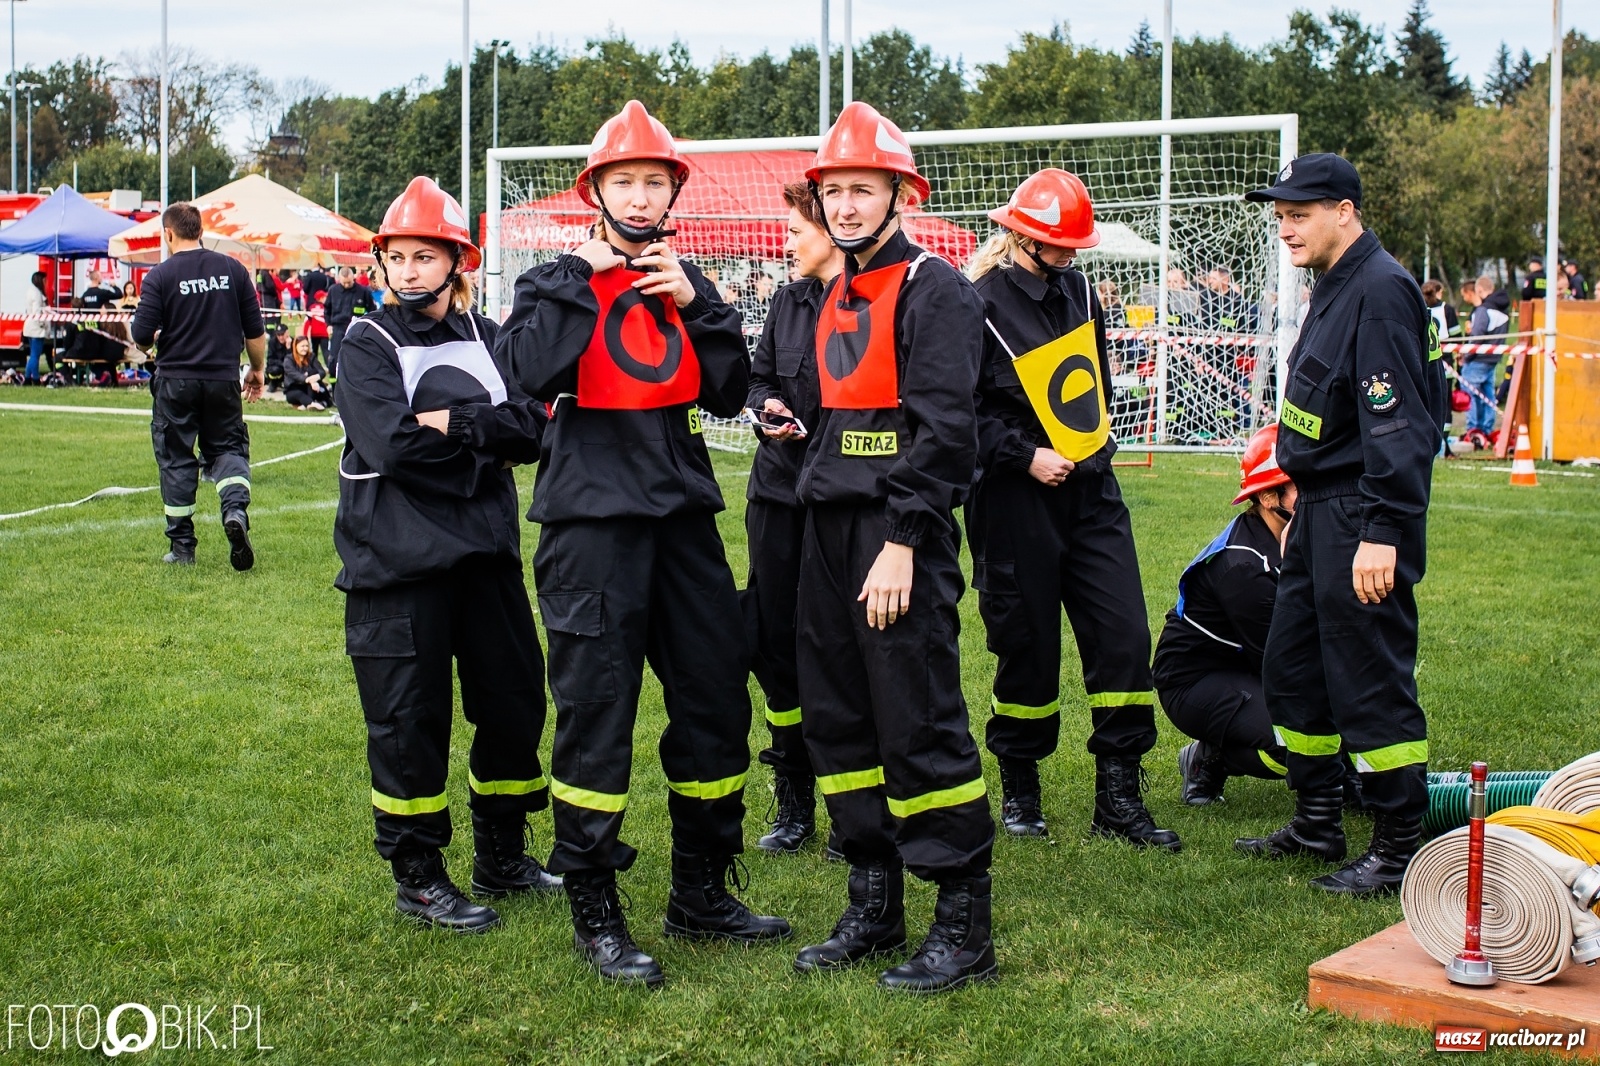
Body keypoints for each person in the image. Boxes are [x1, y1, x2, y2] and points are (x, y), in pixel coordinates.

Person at [496, 100, 789, 987]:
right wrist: (578, 278)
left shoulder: (684, 277)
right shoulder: (552, 275)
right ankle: (595, 909)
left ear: (672, 194)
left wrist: (700, 303)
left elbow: (731, 390)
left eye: (653, 181)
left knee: (713, 704)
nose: (639, 195)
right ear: (597, 190)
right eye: (624, 180)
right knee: (598, 717)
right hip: (590, 529)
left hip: (684, 522)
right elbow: (525, 371)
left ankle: (701, 890)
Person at [788, 101, 996, 993]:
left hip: (894, 535)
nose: (845, 205)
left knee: (917, 718)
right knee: (839, 719)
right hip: (828, 532)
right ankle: (873, 901)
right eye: (833, 191)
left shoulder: (934, 288)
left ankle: (962, 921)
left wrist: (907, 540)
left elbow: (947, 431)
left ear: (899, 195)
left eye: (862, 189)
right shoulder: (837, 285)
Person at [336, 176, 560, 935]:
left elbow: (533, 428)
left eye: (424, 257)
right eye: (395, 257)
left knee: (514, 703)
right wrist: (484, 439)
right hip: (397, 569)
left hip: (485, 559)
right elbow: (395, 446)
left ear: (457, 262)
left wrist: (455, 424)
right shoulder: (367, 343)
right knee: (409, 722)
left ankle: (502, 855)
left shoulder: (491, 336)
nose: (407, 271)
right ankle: (419, 877)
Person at [1234, 153, 1438, 897]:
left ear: (1344, 212)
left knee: (1368, 678)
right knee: (1294, 669)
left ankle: (1398, 847)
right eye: (1280, 215)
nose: (1285, 228)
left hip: (1361, 511)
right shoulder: (1333, 283)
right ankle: (1317, 818)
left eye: (1300, 214)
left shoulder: (1379, 290)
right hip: (1320, 506)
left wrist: (1381, 530)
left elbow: (1398, 426)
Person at [965, 167, 1180, 853]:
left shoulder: (1082, 290)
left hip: (1092, 493)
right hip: (1014, 498)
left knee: (1122, 638)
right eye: (1061, 246)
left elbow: (1095, 384)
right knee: (1025, 647)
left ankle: (1118, 798)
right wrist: (1022, 454)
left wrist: (1091, 452)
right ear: (1022, 238)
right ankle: (1021, 790)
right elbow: (955, 414)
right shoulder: (977, 304)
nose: (1072, 256)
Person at [742, 181, 844, 855]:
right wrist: (767, 410)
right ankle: (794, 800)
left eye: (796, 230)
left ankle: (852, 802)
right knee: (775, 644)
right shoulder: (787, 299)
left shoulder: (876, 301)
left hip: (840, 504)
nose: (786, 242)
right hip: (776, 497)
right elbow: (757, 379)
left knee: (840, 652)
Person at [1154, 424, 1295, 804]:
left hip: (1243, 665)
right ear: (1268, 497)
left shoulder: (1292, 535)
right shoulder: (1243, 566)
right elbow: (1281, 661)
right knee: (1302, 740)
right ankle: (1208, 758)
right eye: (1301, 483)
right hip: (1193, 681)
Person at [130, 204, 266, 568]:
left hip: (175, 380)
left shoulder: (160, 275)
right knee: (228, 449)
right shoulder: (233, 270)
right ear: (200, 230)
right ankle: (234, 511)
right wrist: (257, 370)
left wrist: (147, 345)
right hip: (223, 379)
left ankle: (182, 548)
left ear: (168, 233)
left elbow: (141, 335)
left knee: (176, 457)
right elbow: (255, 331)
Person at [1461, 275, 1509, 445]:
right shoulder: (1503, 310)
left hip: (1478, 359)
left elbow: (1476, 337)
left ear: (1479, 290)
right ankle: (1487, 430)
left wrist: (1465, 356)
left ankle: (1473, 430)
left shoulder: (1483, 310)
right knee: (1488, 397)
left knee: (1470, 395)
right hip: (1493, 360)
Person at [324, 265, 377, 378]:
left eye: (349, 282)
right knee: (334, 359)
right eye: (344, 283)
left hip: (356, 329)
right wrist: (328, 325)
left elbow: (373, 311)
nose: (347, 285)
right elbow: (327, 310)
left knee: (355, 358)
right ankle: (335, 389)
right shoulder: (333, 290)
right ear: (339, 280)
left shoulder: (363, 291)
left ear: (353, 278)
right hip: (338, 328)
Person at [283, 335, 332, 409]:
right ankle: (312, 404)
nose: (305, 348)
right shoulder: (288, 359)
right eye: (302, 346)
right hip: (293, 388)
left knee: (313, 373)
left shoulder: (311, 357)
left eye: (306, 346)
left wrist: (314, 379)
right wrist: (309, 380)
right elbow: (294, 374)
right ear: (295, 346)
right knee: (298, 394)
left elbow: (321, 371)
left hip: (311, 388)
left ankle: (308, 404)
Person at [22, 270, 49, 384]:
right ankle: (35, 379)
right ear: (41, 280)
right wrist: (42, 324)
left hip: (29, 327)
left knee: (34, 355)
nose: (46, 282)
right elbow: (37, 312)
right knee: (35, 355)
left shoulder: (31, 291)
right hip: (36, 329)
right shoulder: (37, 294)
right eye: (45, 280)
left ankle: (29, 378)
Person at [301, 289, 330, 365]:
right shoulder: (327, 307)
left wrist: (305, 335)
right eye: (324, 297)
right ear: (320, 298)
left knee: (314, 351)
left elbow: (307, 321)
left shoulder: (311, 308)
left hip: (314, 334)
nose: (326, 298)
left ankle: (314, 367)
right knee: (326, 351)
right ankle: (329, 367)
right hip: (324, 333)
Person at [265, 322, 291, 394]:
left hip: (289, 369)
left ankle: (285, 383)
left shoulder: (293, 342)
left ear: (287, 333)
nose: (280, 337)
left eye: (282, 334)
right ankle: (273, 383)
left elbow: (294, 360)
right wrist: (283, 364)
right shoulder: (272, 342)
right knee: (274, 369)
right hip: (278, 367)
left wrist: (288, 348)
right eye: (278, 335)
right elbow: (270, 359)